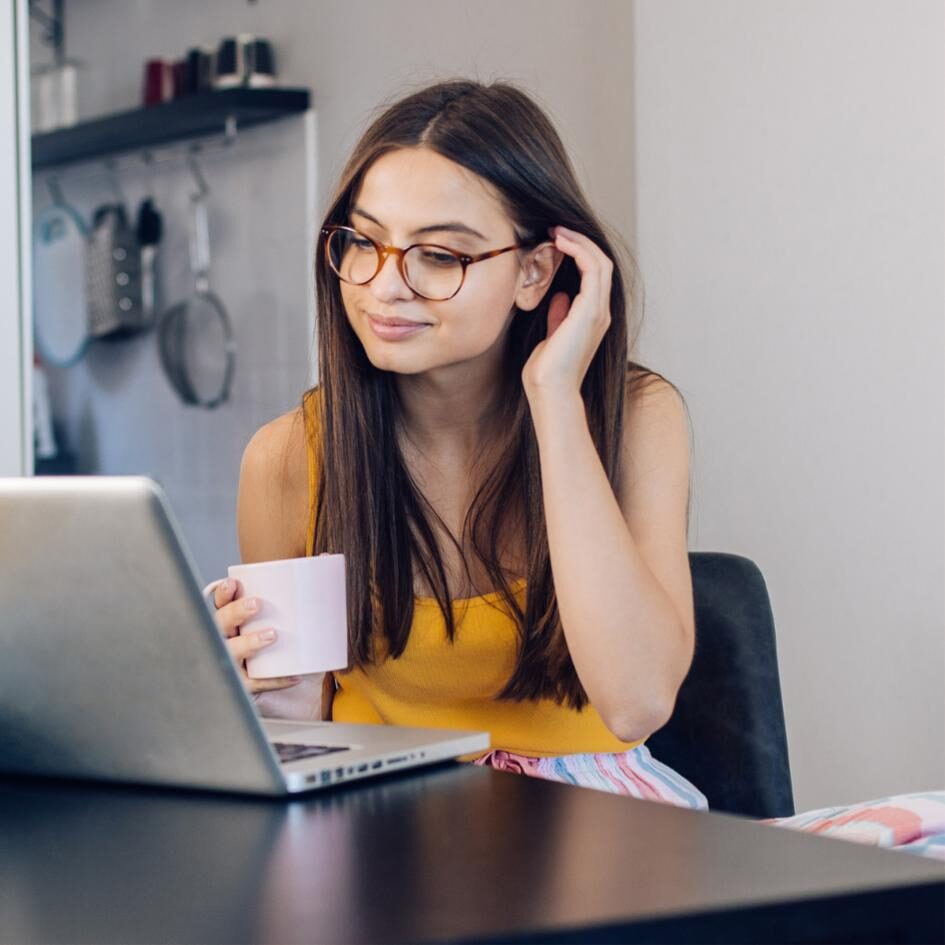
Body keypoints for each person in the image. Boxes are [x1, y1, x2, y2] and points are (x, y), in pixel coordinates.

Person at [208, 77, 707, 810]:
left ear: (533, 273)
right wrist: (241, 682)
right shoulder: (286, 457)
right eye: (363, 242)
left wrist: (555, 401)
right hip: (386, 816)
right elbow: (300, 723)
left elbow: (635, 703)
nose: (385, 287)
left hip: (593, 817)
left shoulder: (634, 417)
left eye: (438, 255)